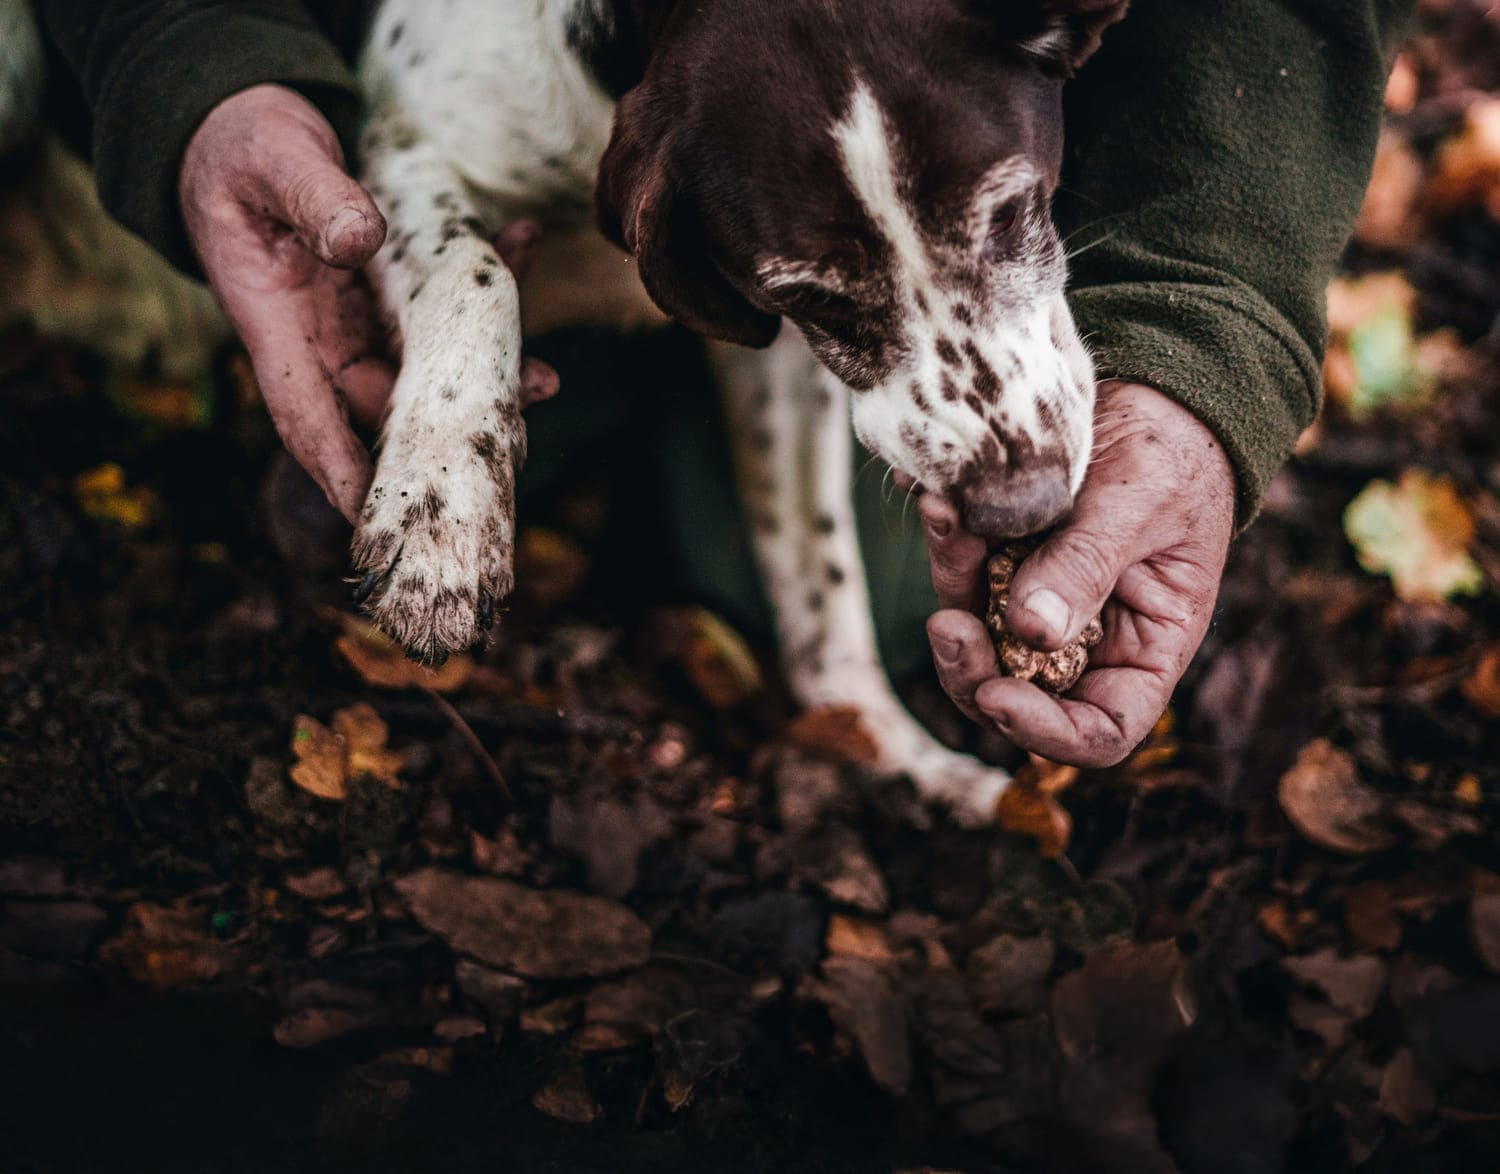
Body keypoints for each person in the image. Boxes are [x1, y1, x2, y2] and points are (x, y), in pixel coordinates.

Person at [37, 0, 1414, 771]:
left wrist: (1202, 333)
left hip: (729, 234)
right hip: (465, 129)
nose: (1015, 441)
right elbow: (415, 164)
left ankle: (732, 517)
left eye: (1006, 221)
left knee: (886, 610)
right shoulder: (521, 67)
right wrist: (192, 71)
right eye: (820, 291)